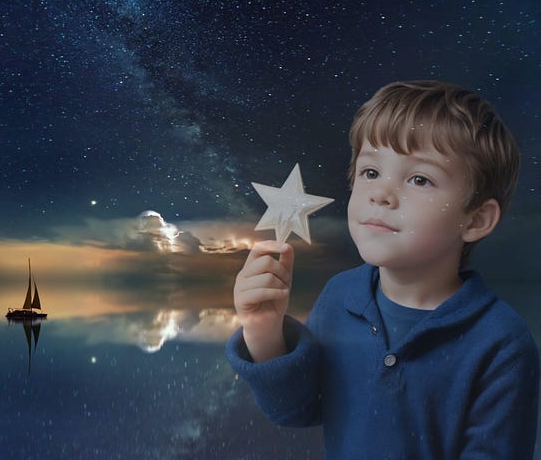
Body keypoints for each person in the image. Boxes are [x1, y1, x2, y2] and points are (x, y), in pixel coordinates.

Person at [226, 80, 539, 459]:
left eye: (419, 179)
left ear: (475, 219)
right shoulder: (340, 297)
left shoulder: (501, 343)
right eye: (371, 172)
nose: (381, 193)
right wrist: (262, 330)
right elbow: (297, 410)